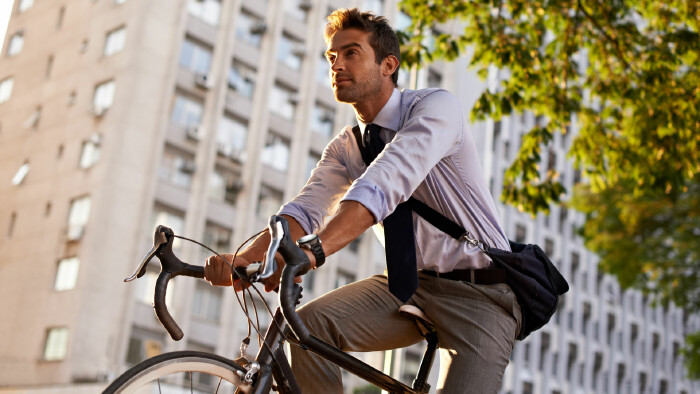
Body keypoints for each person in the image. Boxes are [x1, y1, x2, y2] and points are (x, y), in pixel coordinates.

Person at [204, 8, 520, 393]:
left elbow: (386, 181)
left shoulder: (435, 109)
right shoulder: (346, 147)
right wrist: (247, 258)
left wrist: (315, 251)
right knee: (308, 328)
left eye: (351, 53)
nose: (337, 64)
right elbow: (304, 209)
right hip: (409, 285)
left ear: (389, 65)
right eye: (331, 56)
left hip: (480, 292)